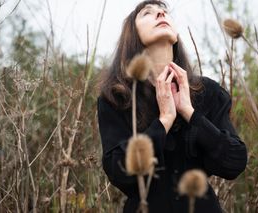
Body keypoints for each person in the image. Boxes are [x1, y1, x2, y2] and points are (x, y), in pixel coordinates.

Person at [97, 1, 247, 212]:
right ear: (132, 35)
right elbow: (119, 172)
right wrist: (164, 120)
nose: (160, 13)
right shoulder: (117, 98)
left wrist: (190, 113)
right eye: (147, 13)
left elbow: (234, 162)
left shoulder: (208, 92)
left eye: (165, 11)